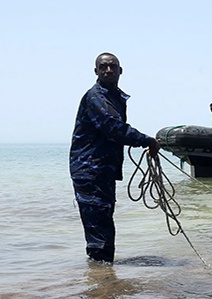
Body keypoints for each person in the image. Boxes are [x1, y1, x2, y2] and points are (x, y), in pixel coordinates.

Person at [69, 52, 160, 264]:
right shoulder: (96, 97)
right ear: (96, 71)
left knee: (104, 221)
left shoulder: (114, 96)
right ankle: (101, 281)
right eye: (103, 67)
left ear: (120, 71)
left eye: (112, 66)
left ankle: (103, 278)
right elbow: (113, 128)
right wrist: (148, 141)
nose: (108, 70)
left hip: (104, 170)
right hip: (89, 170)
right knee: (99, 227)